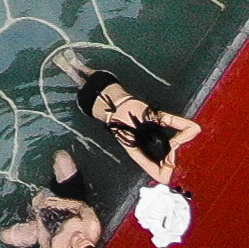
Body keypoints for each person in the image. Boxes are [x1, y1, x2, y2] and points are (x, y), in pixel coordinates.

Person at [54, 47, 200, 185]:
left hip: (103, 80)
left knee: (96, 76)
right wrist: (171, 150)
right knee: (82, 86)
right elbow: (163, 178)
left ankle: (79, 66)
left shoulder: (153, 116)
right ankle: (73, 75)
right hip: (87, 101)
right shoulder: (128, 140)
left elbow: (194, 128)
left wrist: (175, 142)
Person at [0, 150, 104, 248]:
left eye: (78, 242)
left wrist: (39, 217)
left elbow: (44, 245)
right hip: (69, 209)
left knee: (6, 236)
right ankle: (56, 184)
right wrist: (59, 203)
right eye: (86, 240)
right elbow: (81, 206)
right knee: (62, 157)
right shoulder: (92, 227)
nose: (80, 236)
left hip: (48, 232)